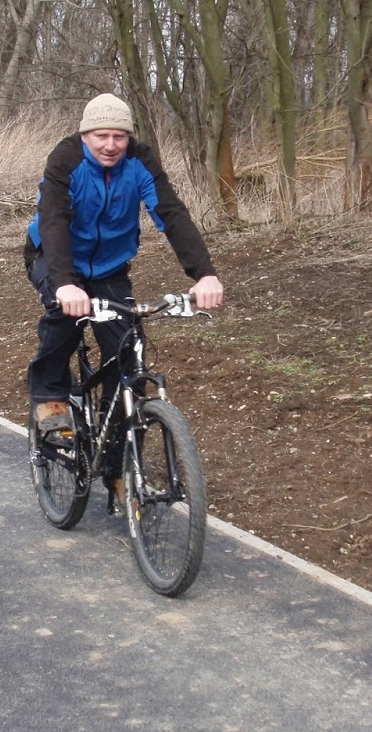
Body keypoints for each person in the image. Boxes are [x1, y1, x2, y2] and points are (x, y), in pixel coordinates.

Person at [25, 92, 223, 507]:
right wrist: (65, 284)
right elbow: (54, 220)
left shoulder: (140, 160)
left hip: (110, 269)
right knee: (65, 318)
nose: (111, 145)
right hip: (54, 258)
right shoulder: (66, 160)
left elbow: (171, 214)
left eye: (119, 136)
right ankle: (50, 397)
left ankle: (118, 469)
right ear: (86, 135)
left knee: (128, 359)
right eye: (101, 136)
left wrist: (204, 273)